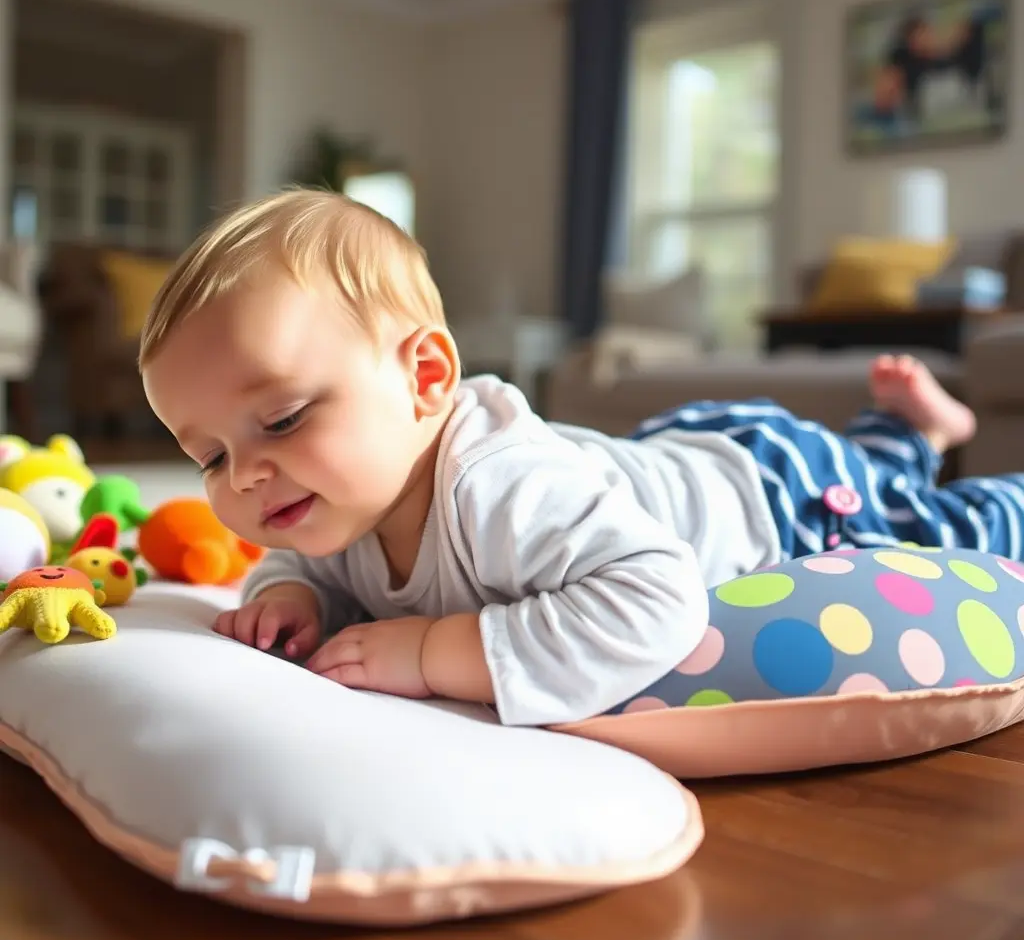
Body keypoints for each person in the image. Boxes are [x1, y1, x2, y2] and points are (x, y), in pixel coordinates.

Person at [139, 190, 1024, 727]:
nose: (245, 476)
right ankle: (915, 425)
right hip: (673, 452)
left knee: (929, 515)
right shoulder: (335, 497)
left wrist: (436, 654)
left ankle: (927, 445)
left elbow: (658, 599)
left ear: (426, 379)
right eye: (208, 456)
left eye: (284, 420)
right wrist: (285, 594)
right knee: (880, 456)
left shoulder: (497, 486)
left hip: (777, 493)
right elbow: (304, 558)